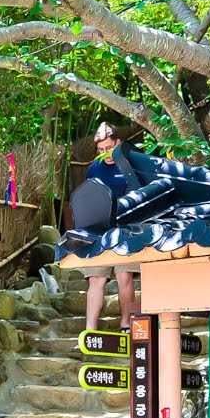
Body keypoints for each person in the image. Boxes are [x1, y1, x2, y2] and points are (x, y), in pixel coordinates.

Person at [82, 122, 139, 333]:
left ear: (118, 143)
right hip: (99, 230)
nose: (105, 153)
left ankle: (126, 324)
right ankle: (90, 331)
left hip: (126, 228)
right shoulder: (93, 169)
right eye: (101, 150)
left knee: (125, 275)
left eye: (109, 148)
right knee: (96, 278)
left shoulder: (129, 166)